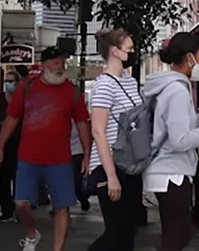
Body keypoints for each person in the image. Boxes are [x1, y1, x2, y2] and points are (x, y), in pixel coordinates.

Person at [143, 32, 199, 251]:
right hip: (171, 173)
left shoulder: (170, 86)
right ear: (189, 58)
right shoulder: (177, 91)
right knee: (179, 235)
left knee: (175, 235)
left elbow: (176, 125)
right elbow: (180, 140)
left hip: (166, 171)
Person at [0, 47, 91, 251]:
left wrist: (87, 156)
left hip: (61, 160)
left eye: (63, 63)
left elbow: (82, 123)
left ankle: (57, 248)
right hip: (29, 158)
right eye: (56, 63)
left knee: (62, 206)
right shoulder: (27, 87)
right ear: (44, 65)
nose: (60, 67)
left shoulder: (72, 92)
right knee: (21, 204)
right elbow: (12, 118)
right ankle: (31, 234)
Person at [87, 29, 142, 251]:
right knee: (116, 232)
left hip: (129, 163)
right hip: (110, 164)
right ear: (115, 52)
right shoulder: (104, 85)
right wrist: (111, 176)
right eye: (129, 49)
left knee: (127, 232)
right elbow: (98, 131)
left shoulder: (128, 82)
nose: (132, 52)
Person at [0, 69, 22, 223]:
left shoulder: (22, 99)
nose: (8, 84)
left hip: (20, 144)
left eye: (11, 81)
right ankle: (6, 211)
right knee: (3, 179)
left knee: (19, 178)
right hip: (2, 145)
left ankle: (19, 210)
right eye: (6, 81)